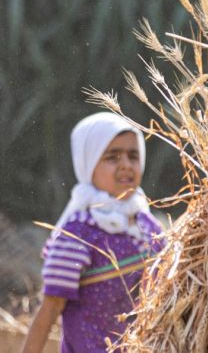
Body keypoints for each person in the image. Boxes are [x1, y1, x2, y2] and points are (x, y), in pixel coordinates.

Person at [22, 112, 165, 353]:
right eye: (112, 157)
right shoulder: (78, 234)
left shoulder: (149, 225)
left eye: (133, 155)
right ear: (88, 164)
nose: (126, 165)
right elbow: (51, 307)